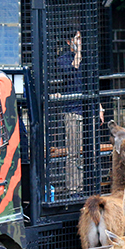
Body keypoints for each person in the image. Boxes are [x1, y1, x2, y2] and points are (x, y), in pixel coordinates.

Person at [57, 30, 83, 193]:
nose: (80, 41)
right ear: (69, 42)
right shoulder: (63, 59)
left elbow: (92, 83)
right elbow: (71, 72)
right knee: (73, 153)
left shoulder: (87, 59)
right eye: (77, 38)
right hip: (72, 111)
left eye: (81, 38)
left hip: (88, 110)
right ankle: (74, 188)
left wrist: (100, 107)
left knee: (89, 150)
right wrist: (78, 53)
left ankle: (87, 186)